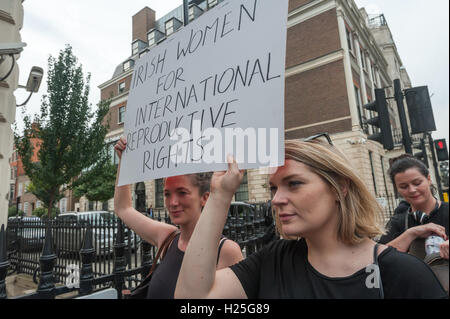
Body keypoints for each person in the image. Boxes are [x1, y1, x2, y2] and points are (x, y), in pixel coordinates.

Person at [175, 137, 447, 298]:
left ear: (339, 187)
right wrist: (220, 195)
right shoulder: (273, 260)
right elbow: (194, 298)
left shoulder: (404, 275)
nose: (277, 198)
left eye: (294, 183)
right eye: (274, 188)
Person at [114, 137, 243, 299]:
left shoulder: (227, 251)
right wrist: (124, 163)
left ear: (205, 198)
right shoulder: (167, 237)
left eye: (182, 193)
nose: (173, 202)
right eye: (167, 194)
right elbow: (123, 208)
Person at [379, 154, 449, 260]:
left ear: (429, 179)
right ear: (397, 189)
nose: (412, 190)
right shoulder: (398, 222)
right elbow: (379, 257)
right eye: (404, 187)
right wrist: (411, 233)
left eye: (417, 183)